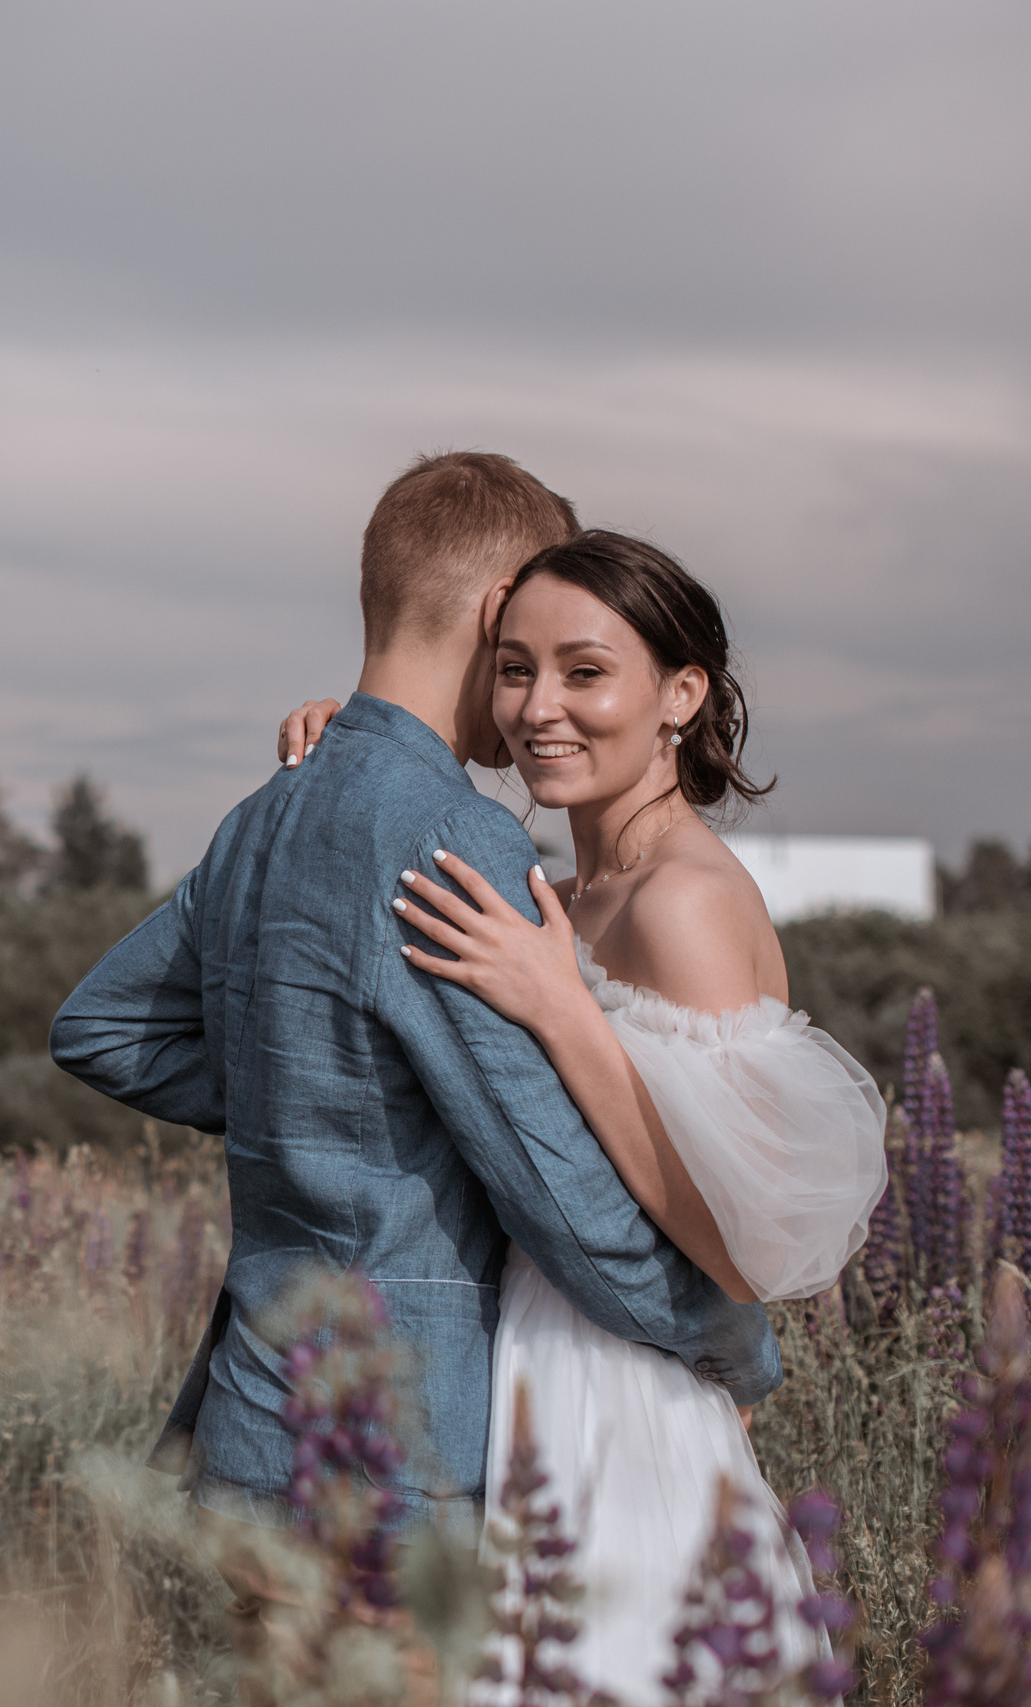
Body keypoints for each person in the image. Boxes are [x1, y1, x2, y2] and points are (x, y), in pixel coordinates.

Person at [49, 453, 781, 1703]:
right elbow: (554, 1187)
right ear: (504, 606)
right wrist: (731, 1347)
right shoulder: (453, 838)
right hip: (392, 1457)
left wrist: (319, 1083)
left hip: (250, 1432)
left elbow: (101, 1025)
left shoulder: (265, 811)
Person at [273, 528, 885, 1699]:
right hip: (521, 1356)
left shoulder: (685, 902)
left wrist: (564, 1014)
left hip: (624, 1389)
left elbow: (737, 1246)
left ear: (680, 694)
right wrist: (346, 745)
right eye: (513, 669)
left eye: (584, 671)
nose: (538, 707)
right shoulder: (559, 893)